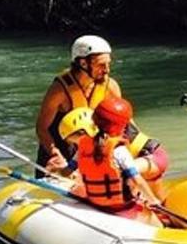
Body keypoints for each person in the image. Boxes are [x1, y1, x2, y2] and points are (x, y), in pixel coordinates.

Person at [35, 35, 157, 179]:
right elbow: (42, 128)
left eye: (108, 64)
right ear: (83, 63)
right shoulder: (59, 90)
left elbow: (125, 122)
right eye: (101, 65)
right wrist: (56, 155)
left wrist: (138, 150)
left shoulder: (110, 86)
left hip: (89, 146)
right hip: (61, 146)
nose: (107, 70)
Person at [47, 106, 170, 200]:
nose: (75, 146)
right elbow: (69, 170)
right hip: (144, 164)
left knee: (123, 173)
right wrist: (56, 172)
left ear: (84, 132)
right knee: (160, 201)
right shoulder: (86, 147)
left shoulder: (113, 145)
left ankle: (139, 199)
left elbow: (131, 174)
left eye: (75, 141)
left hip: (153, 157)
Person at [72, 96, 161, 225]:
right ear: (120, 126)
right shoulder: (119, 150)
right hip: (121, 206)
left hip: (95, 202)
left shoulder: (83, 145)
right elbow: (138, 180)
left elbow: (67, 170)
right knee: (158, 225)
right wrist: (153, 200)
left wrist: (57, 167)